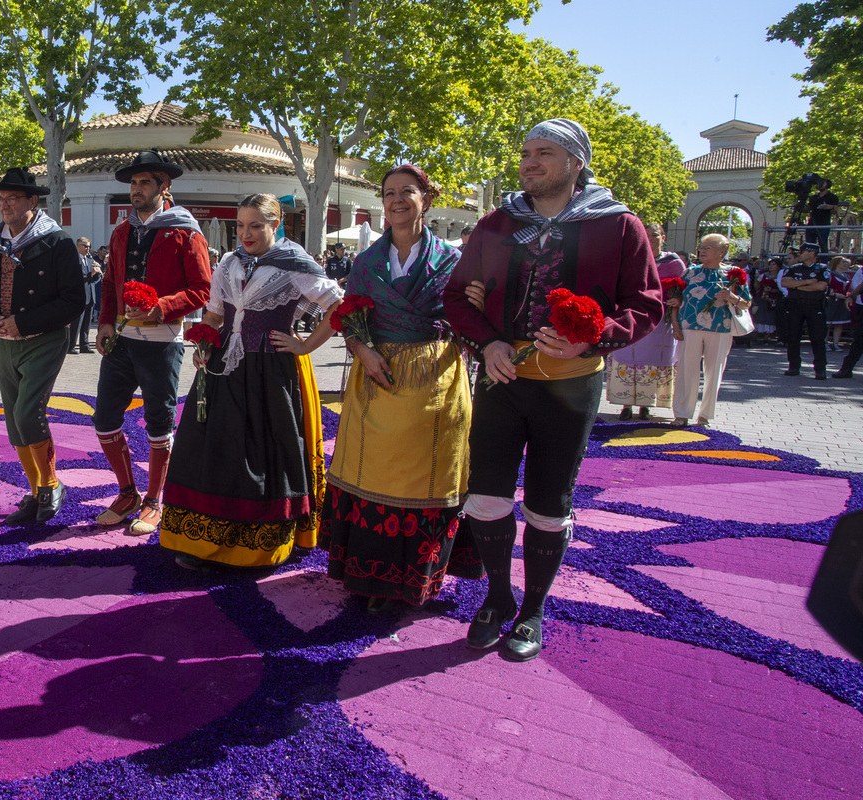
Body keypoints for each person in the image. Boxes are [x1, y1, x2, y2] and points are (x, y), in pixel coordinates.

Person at [444, 119, 662, 662]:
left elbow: (647, 304)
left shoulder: (619, 226)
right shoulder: (496, 223)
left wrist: (596, 340)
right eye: (525, 153)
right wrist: (488, 343)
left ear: (575, 162)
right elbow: (455, 298)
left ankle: (534, 610)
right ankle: (496, 597)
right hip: (500, 379)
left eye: (544, 153)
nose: (529, 162)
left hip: (570, 387)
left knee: (548, 500)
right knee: (486, 495)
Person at [321, 164, 483, 610]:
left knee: (424, 478)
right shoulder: (366, 262)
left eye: (406, 192)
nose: (396, 200)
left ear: (424, 200)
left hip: (435, 379)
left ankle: (414, 580)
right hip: (376, 377)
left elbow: (469, 321)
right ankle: (369, 577)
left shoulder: (453, 261)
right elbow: (351, 321)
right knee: (373, 470)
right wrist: (362, 351)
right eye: (389, 193)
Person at [160, 193, 342, 570]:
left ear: (276, 225)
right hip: (224, 369)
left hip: (269, 373)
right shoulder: (228, 262)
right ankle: (205, 539)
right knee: (215, 449)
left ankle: (257, 545)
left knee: (260, 453)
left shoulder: (294, 265)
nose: (246, 233)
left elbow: (341, 306)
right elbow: (213, 316)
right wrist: (205, 345)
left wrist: (305, 345)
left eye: (256, 225)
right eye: (240, 225)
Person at [93, 149, 212, 535]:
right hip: (122, 341)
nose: (137, 189)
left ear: (165, 186)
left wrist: (161, 307)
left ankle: (154, 500)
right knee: (105, 419)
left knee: (158, 422)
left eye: (145, 182)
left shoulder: (186, 231)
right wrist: (106, 323)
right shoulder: (121, 232)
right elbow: (110, 283)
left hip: (163, 342)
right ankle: (127, 492)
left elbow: (201, 290)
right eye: (133, 183)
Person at [0, 167, 86, 524]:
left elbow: (73, 300)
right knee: (13, 422)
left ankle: (51, 484)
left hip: (43, 339)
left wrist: (21, 322)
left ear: (32, 201)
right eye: (0, 199)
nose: (4, 205)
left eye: (12, 199)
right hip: (5, 342)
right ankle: (36, 492)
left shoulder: (57, 242)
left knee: (27, 414)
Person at [670, 234, 752, 427]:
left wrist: (732, 297)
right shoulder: (689, 273)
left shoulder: (733, 275)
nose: (702, 250)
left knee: (714, 371)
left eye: (708, 247)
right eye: (701, 247)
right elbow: (676, 301)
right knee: (686, 370)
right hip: (689, 327)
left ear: (722, 251)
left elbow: (747, 303)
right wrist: (675, 324)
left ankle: (705, 415)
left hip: (720, 328)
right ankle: (682, 413)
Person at [606, 223, 684, 420]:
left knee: (653, 360)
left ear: (663, 238)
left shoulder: (674, 263)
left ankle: (646, 405)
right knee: (626, 356)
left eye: (655, 235)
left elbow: (681, 291)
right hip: (631, 315)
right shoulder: (631, 258)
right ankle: (626, 405)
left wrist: (676, 313)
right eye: (646, 235)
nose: (650, 239)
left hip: (660, 321)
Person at [782, 241, 830, 380]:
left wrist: (795, 286)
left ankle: (820, 369)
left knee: (817, 338)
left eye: (802, 252)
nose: (799, 255)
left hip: (814, 305)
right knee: (793, 336)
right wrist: (808, 282)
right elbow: (785, 283)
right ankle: (794, 366)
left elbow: (821, 287)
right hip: (795, 305)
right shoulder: (794, 268)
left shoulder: (822, 269)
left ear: (811, 253)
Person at [68, 236, 101, 354]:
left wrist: (97, 272)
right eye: (85, 246)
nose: (88, 249)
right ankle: (71, 345)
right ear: (78, 246)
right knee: (77, 322)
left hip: (90, 294)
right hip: (80, 295)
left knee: (87, 322)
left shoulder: (89, 259)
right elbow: (76, 277)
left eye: (89, 246)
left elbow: (94, 278)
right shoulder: (73, 259)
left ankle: (84, 345)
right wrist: (90, 273)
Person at [752, 258, 783, 344]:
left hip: (774, 300)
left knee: (770, 318)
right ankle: (755, 336)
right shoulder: (764, 275)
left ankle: (767, 337)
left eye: (773, 265)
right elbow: (756, 287)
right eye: (770, 264)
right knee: (759, 317)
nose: (771, 267)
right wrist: (756, 280)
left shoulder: (780, 276)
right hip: (763, 299)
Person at [806, 178, 838, 255]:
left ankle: (824, 262)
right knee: (809, 245)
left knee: (823, 245)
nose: (819, 185)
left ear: (827, 185)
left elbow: (835, 210)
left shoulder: (832, 197)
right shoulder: (813, 197)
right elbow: (808, 208)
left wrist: (829, 207)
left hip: (823, 224)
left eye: (822, 183)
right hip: (812, 224)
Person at [826, 255, 852, 351]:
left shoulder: (846, 276)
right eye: (843, 262)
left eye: (846, 262)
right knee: (828, 323)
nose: (846, 264)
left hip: (842, 302)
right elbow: (826, 288)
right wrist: (835, 294)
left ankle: (836, 343)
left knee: (839, 323)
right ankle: (825, 342)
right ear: (837, 264)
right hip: (832, 301)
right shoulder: (830, 275)